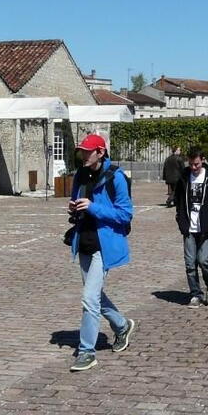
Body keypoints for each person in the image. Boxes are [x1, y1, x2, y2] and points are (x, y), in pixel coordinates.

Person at [68, 134, 134, 372]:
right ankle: (121, 325)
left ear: (101, 152)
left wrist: (93, 207)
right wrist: (74, 206)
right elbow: (76, 199)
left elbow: (125, 214)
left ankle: (87, 352)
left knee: (89, 298)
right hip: (83, 240)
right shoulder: (80, 174)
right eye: (82, 151)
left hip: (103, 245)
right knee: (94, 296)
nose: (83, 155)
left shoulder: (115, 177)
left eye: (88, 151)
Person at [174, 146, 208, 309]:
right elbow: (179, 200)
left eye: (196, 164)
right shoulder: (184, 177)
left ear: (202, 160)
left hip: (206, 227)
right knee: (190, 263)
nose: (194, 167)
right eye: (191, 164)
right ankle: (195, 293)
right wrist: (181, 220)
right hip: (189, 226)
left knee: (203, 260)